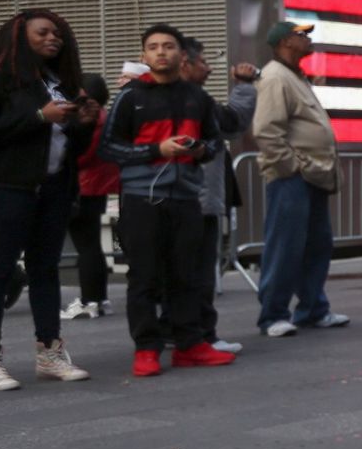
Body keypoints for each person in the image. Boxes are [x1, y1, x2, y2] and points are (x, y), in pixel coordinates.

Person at [102, 24, 237, 374]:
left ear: (181, 55)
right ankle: (147, 348)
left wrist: (199, 149)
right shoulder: (130, 97)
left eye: (169, 46)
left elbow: (215, 144)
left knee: (187, 275)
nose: (161, 52)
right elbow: (109, 147)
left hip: (186, 196)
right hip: (141, 199)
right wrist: (156, 150)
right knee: (144, 276)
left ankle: (190, 344)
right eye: (153, 47)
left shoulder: (198, 98)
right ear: (144, 56)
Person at [0, 10, 98, 390]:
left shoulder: (58, 83)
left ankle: (50, 354)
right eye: (43, 32)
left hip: (53, 189)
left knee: (46, 270)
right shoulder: (2, 79)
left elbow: (69, 144)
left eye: (57, 33)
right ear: (20, 36)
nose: (53, 38)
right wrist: (41, 116)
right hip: (7, 188)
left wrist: (83, 123)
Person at [251, 21, 344, 337]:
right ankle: (273, 314)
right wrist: (291, 166)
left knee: (317, 244)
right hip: (293, 175)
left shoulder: (294, 76)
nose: (308, 39)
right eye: (302, 35)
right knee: (286, 245)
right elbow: (267, 130)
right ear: (285, 42)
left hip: (311, 174)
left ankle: (313, 309)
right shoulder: (275, 77)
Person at [182, 39, 262, 350]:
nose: (210, 67)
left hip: (173, 198)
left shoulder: (152, 97)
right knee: (198, 270)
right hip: (194, 198)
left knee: (187, 271)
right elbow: (232, 123)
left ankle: (180, 335)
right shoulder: (192, 101)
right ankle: (199, 336)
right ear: (184, 63)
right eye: (203, 61)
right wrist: (243, 86)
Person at [60, 74, 116, 322]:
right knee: (92, 245)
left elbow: (79, 155)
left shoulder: (89, 120)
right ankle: (99, 298)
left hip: (83, 186)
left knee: (87, 247)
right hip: (97, 185)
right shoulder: (104, 116)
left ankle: (88, 301)